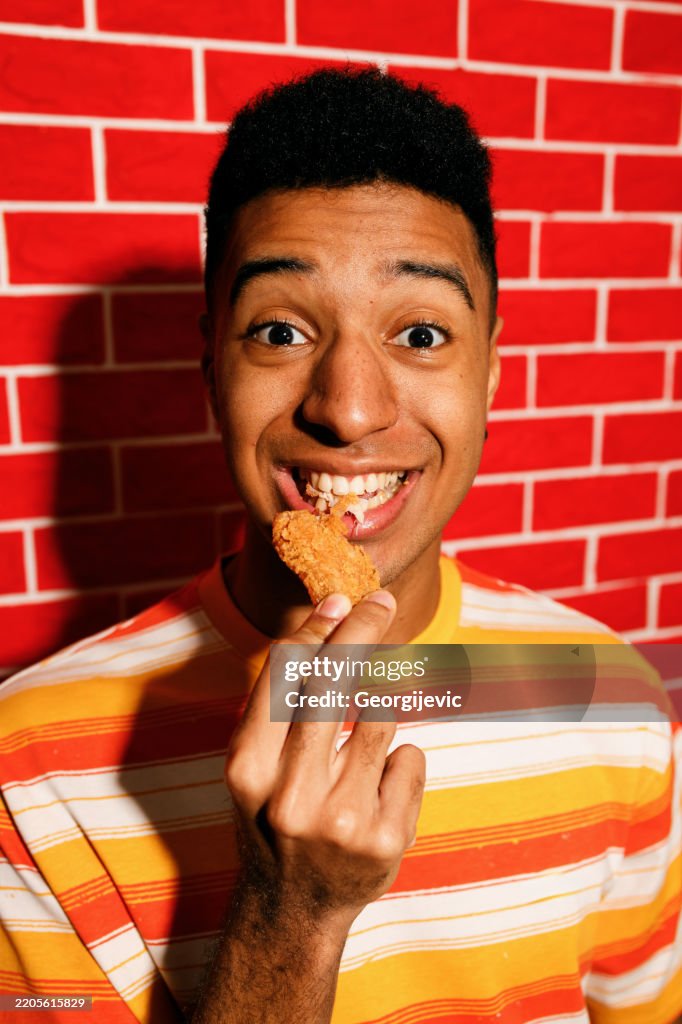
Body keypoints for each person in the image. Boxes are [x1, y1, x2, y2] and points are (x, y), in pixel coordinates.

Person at [1, 67, 680, 1024]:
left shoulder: (611, 699)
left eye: (421, 332)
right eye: (279, 330)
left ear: (491, 370)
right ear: (211, 368)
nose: (349, 408)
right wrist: (292, 918)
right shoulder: (27, 767)